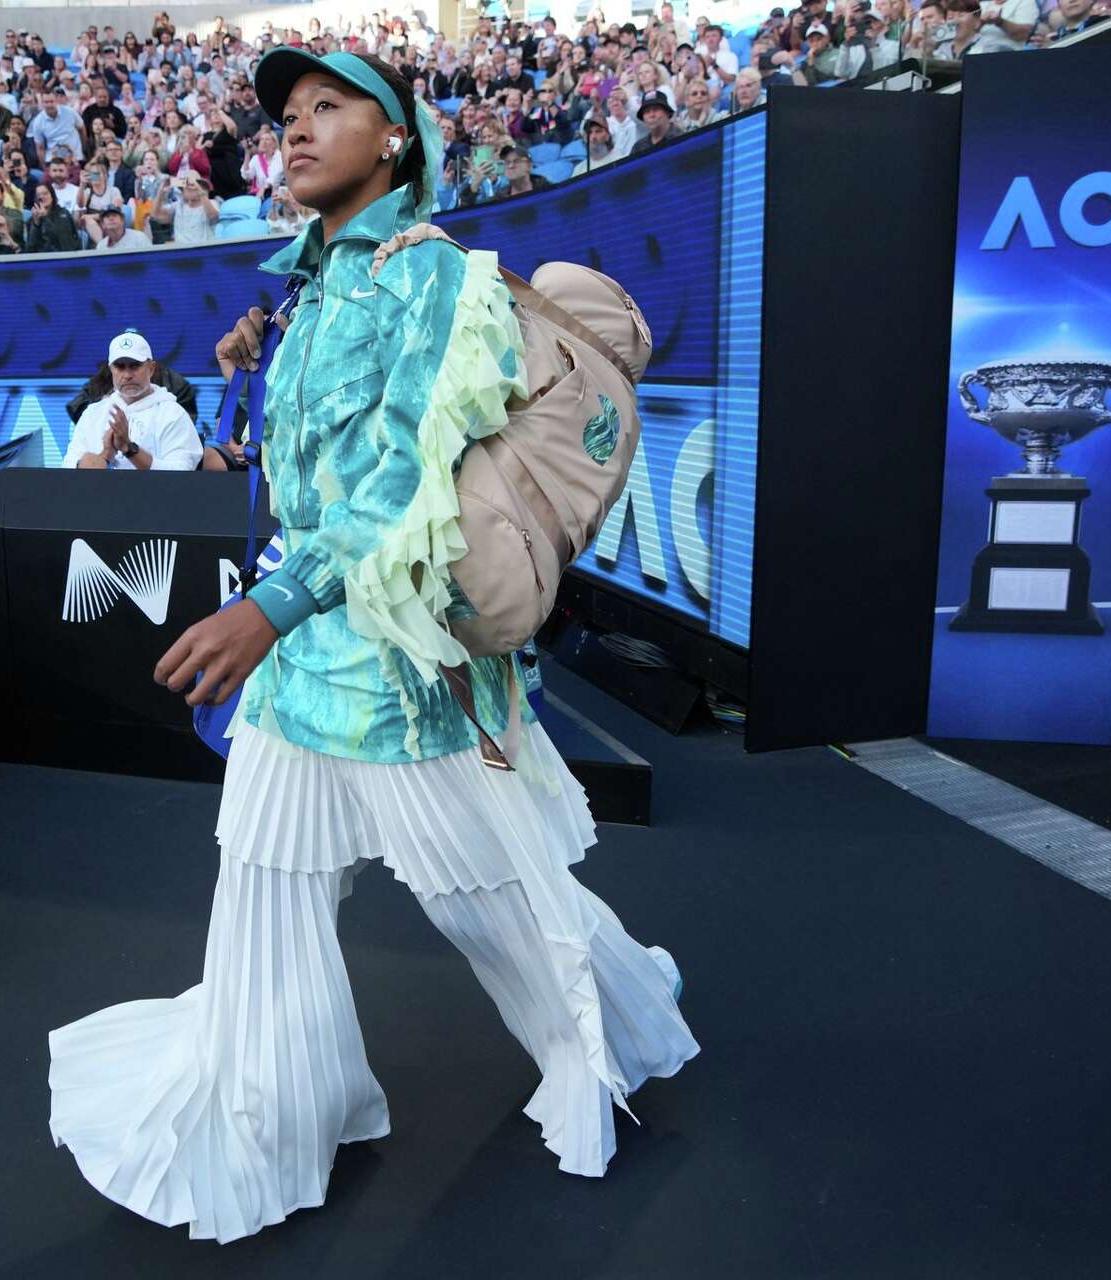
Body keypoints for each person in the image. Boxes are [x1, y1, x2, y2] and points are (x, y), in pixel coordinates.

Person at [48, 48, 696, 1246]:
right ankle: (269, 1108)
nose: (294, 131)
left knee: (489, 897)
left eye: (327, 109)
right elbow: (311, 469)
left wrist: (269, 606)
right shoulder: (316, 286)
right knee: (263, 889)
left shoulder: (434, 278)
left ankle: (621, 1029)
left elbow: (404, 481)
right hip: (303, 664)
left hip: (397, 662)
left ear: (396, 139)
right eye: (286, 116)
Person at [59, 329, 203, 471]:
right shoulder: (93, 413)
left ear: (151, 368)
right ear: (111, 370)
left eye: (135, 365)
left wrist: (129, 449)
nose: (127, 375)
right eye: (120, 367)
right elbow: (68, 466)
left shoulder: (173, 414)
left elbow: (182, 473)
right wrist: (103, 457)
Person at [628, 93, 679, 157]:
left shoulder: (681, 139)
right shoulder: (638, 147)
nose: (651, 115)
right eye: (647, 111)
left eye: (656, 109)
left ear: (667, 112)